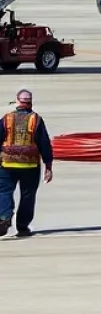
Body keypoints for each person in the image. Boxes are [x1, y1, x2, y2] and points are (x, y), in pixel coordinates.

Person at [0, 89, 54, 238]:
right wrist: (48, 165)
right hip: (30, 165)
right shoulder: (36, 119)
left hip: (7, 163)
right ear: (30, 103)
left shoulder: (7, 119)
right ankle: (23, 227)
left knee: (4, 192)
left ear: (17, 101)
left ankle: (4, 217)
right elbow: (44, 143)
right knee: (27, 196)